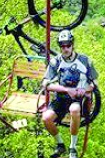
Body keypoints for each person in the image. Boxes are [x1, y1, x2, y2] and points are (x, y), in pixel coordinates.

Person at [42, 29, 98, 158]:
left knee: (74, 109)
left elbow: (94, 83)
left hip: (78, 99)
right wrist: (66, 90)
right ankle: (60, 144)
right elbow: (45, 83)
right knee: (46, 118)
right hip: (61, 98)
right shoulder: (56, 62)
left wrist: (84, 90)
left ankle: (73, 147)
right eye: (62, 46)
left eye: (68, 45)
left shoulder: (84, 61)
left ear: (72, 45)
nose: (65, 48)